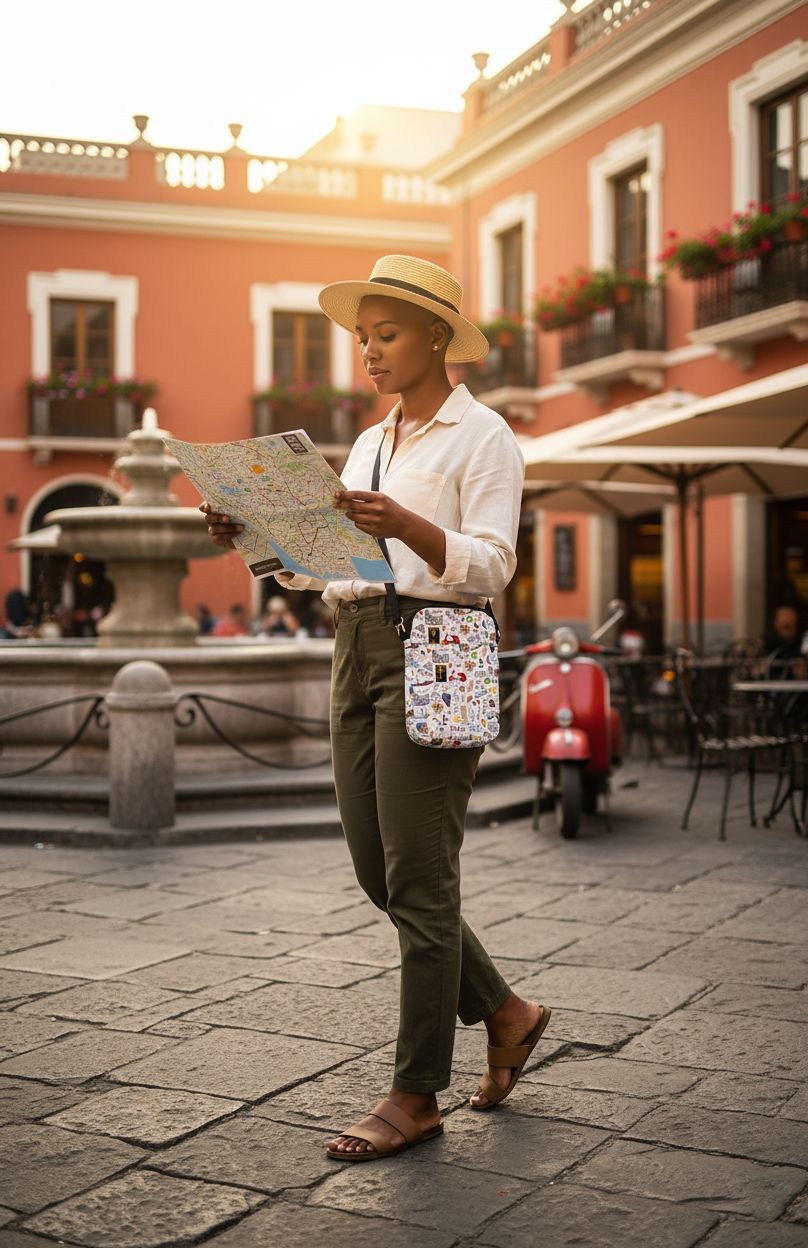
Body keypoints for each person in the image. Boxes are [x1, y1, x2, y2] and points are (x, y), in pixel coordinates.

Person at [201, 255, 549, 1163]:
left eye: (385, 335)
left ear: (437, 336)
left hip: (442, 644)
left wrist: (409, 526)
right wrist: (254, 537)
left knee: (421, 881)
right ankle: (506, 1011)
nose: (370, 352)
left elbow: (494, 563)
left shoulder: (484, 437)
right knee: (376, 869)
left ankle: (415, 1093)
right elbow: (335, 567)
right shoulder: (367, 443)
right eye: (363, 338)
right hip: (356, 643)